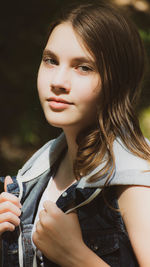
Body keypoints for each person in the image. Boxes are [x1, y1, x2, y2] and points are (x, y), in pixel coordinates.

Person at [0, 1, 150, 266]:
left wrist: (76, 256)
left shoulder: (136, 179)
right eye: (51, 61)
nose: (58, 81)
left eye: (84, 67)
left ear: (118, 81)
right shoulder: (32, 177)